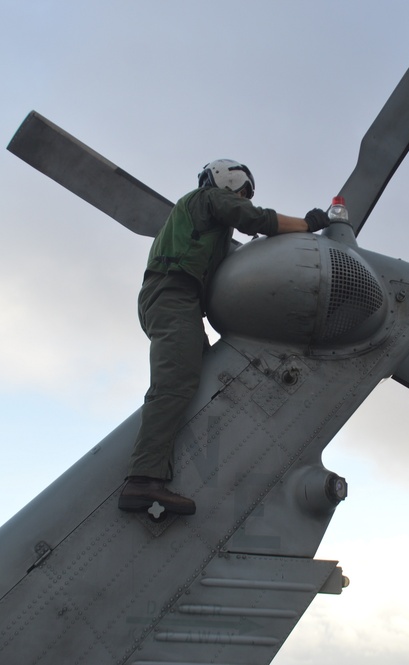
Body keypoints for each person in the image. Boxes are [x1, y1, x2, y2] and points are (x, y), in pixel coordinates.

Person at [118, 159, 330, 516]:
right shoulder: (207, 199)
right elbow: (256, 220)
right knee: (175, 383)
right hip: (172, 295)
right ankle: (143, 480)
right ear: (227, 181)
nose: (245, 200)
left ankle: (167, 471)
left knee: (207, 378)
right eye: (244, 193)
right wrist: (308, 224)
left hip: (180, 300)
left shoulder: (204, 226)